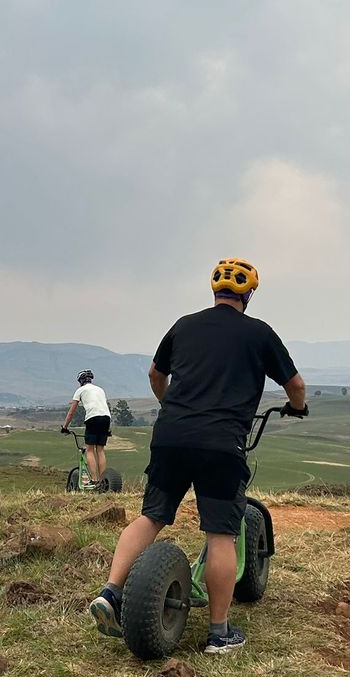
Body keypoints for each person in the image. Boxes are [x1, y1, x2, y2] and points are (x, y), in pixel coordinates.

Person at [89, 258, 307, 654]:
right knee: (221, 533)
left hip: (171, 435)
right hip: (221, 443)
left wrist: (172, 406)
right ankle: (219, 632)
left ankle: (112, 592)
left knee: (151, 516)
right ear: (249, 294)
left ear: (214, 291)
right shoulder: (259, 334)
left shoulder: (184, 324)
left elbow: (156, 375)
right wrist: (297, 406)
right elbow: (295, 384)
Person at [62, 369, 112, 485]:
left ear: (80, 381)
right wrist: (108, 428)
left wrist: (65, 427)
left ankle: (94, 480)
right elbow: (104, 407)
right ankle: (104, 481)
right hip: (105, 418)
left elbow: (71, 411)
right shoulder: (100, 390)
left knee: (89, 450)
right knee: (100, 450)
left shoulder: (80, 390)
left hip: (92, 418)